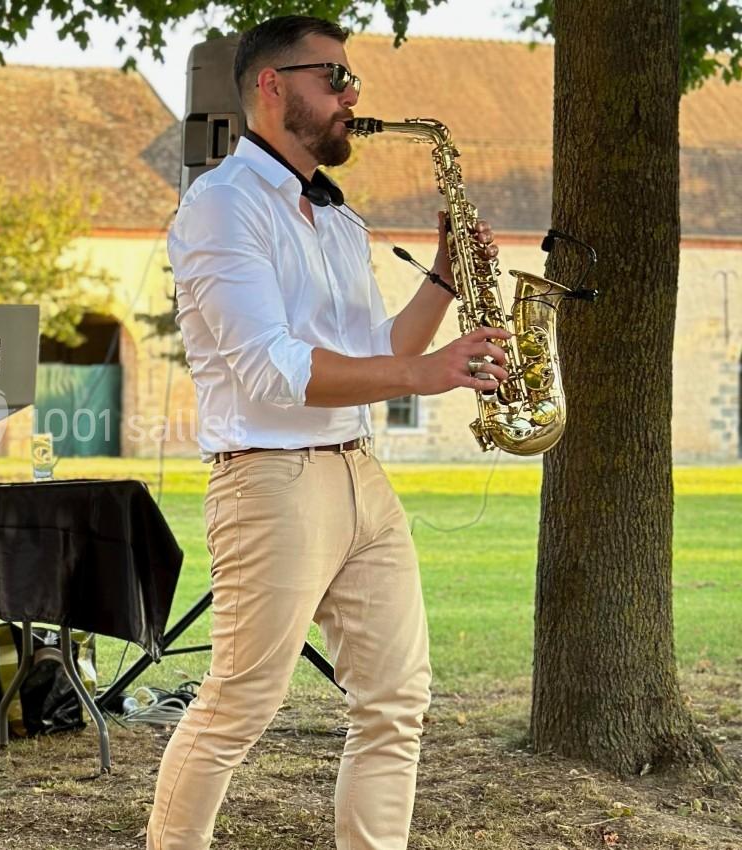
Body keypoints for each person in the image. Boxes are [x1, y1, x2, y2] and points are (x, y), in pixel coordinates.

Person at [146, 16, 509, 850]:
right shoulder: (221, 206)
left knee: (396, 701)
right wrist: (426, 374)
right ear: (272, 87)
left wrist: (445, 281)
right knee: (239, 703)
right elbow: (270, 367)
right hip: (269, 480)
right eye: (333, 78)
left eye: (352, 79)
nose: (352, 95)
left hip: (359, 474)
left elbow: (378, 349)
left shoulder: (341, 221)